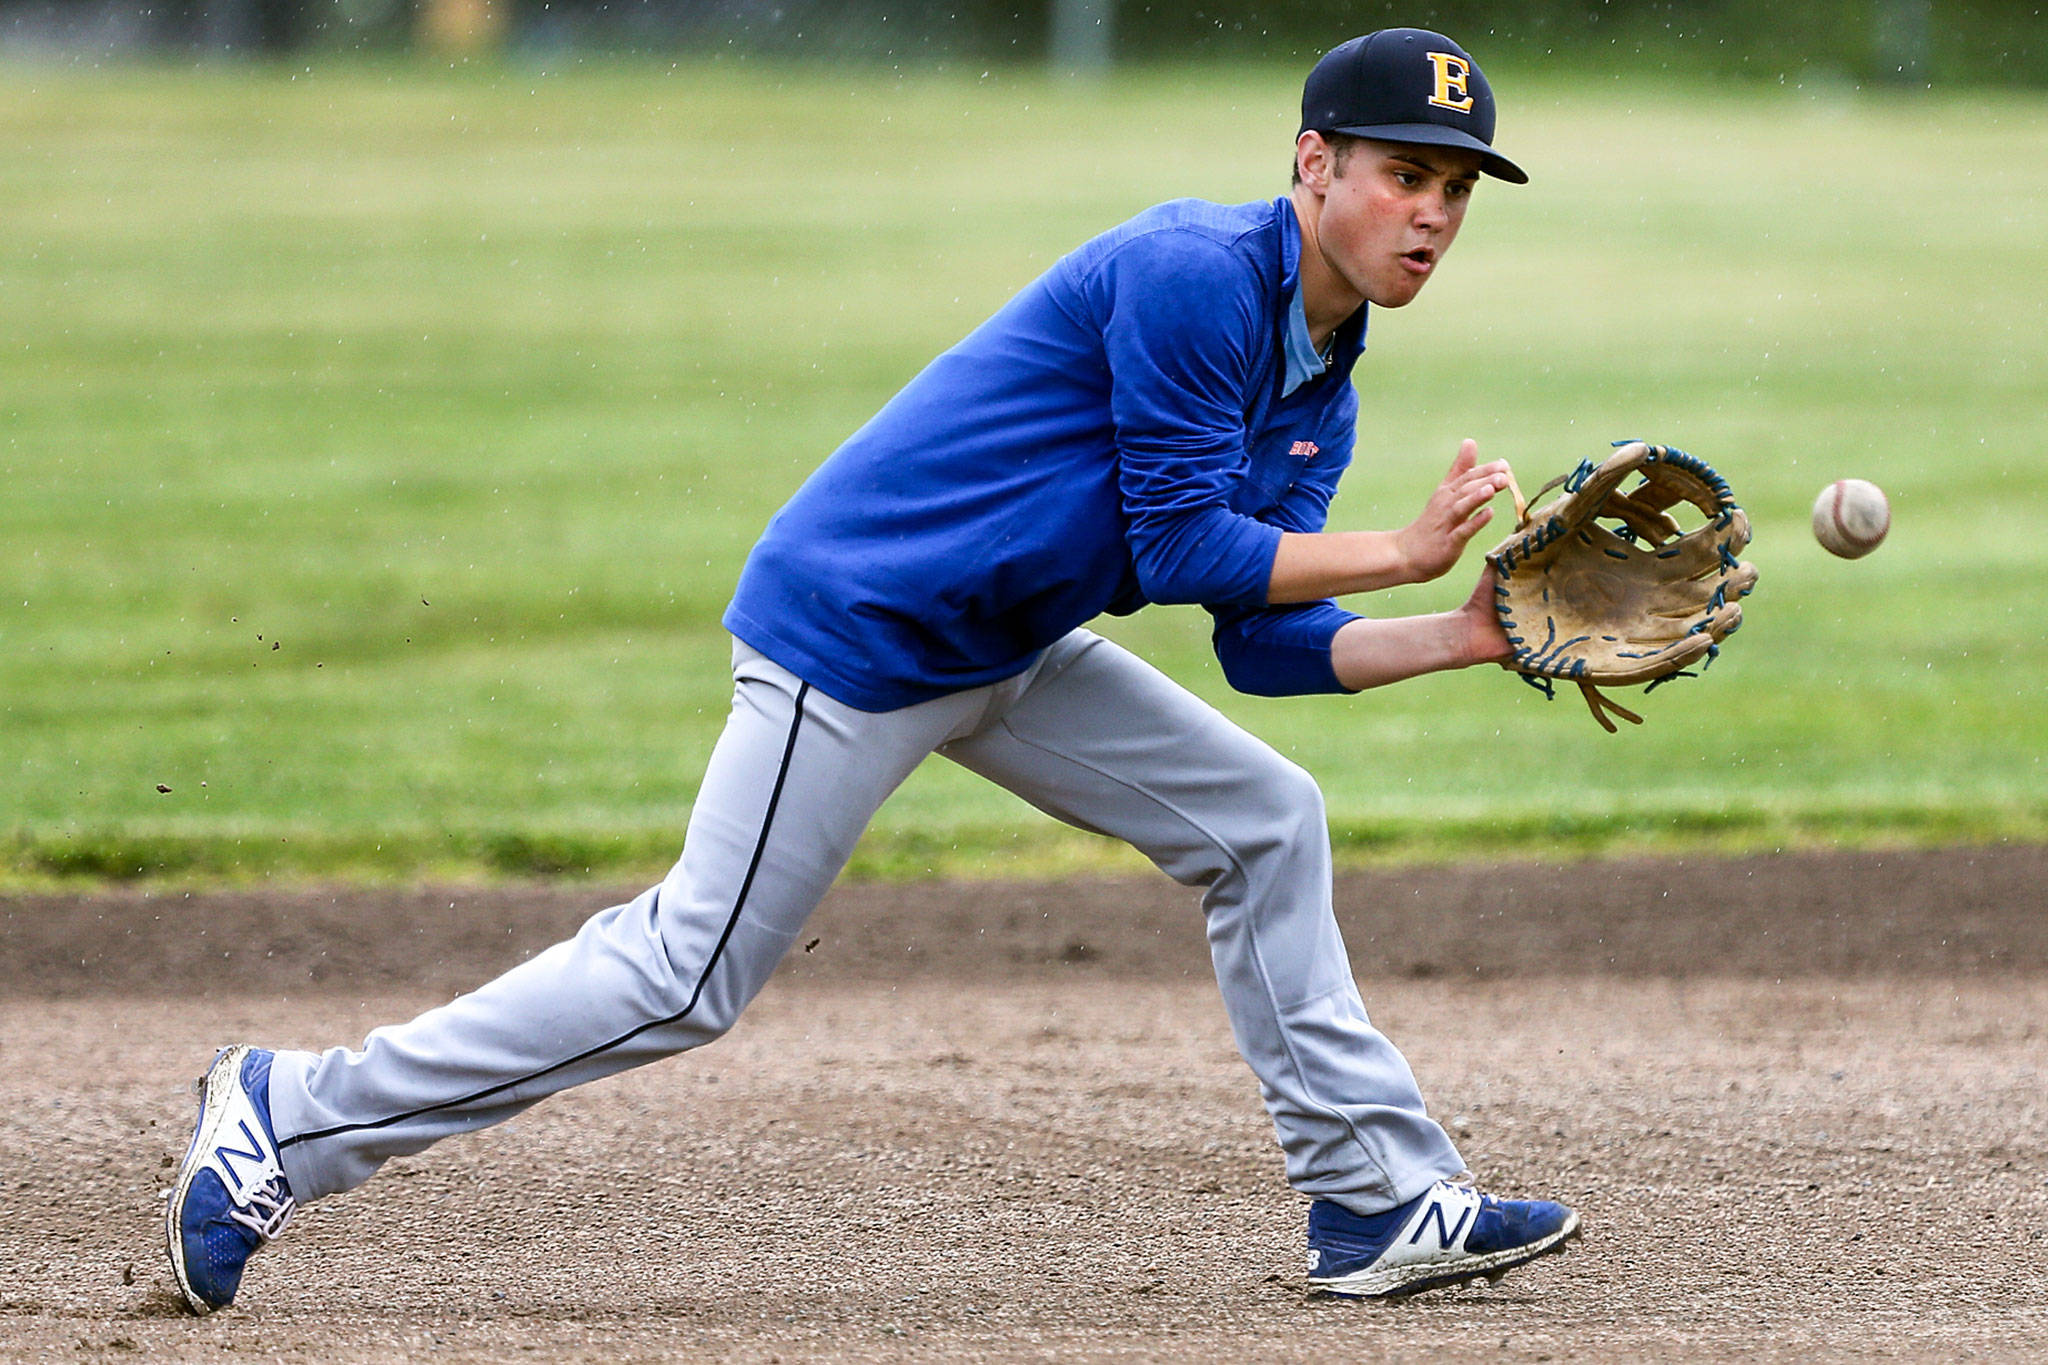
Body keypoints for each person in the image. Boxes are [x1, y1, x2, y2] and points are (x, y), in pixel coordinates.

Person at [165, 27, 1579, 1312]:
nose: (1437, 217)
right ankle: (289, 1114)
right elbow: (1189, 543)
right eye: (1409, 175)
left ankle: (1375, 1197)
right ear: (1314, 161)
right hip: (859, 629)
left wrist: (1454, 632)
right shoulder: (1198, 278)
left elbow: (1263, 645)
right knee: (687, 972)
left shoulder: (1323, 366)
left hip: (1007, 640)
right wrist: (1398, 553)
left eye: (1459, 191)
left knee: (1265, 817)